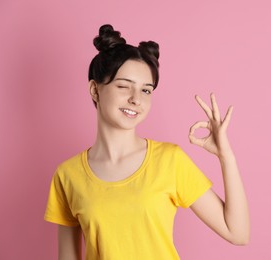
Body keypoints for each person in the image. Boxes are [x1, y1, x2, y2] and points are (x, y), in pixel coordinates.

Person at [44, 24, 249, 260]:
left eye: (146, 90)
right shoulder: (67, 175)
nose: (136, 99)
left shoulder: (170, 160)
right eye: (123, 86)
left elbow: (238, 233)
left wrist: (226, 156)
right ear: (94, 89)